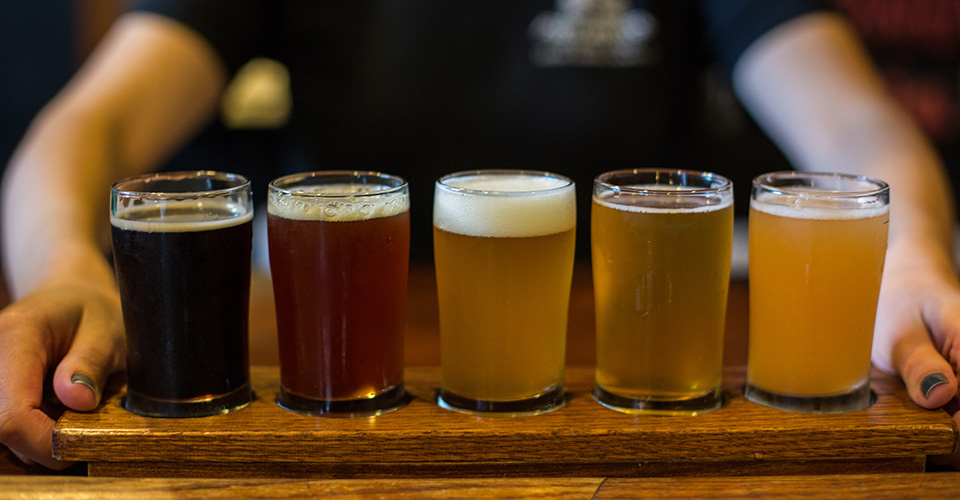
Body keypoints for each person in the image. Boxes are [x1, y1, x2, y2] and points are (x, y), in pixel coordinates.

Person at [1, 0, 958, 470]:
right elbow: (89, 129)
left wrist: (910, 248)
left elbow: (853, 128)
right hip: (342, 400)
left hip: (629, 399)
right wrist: (66, 268)